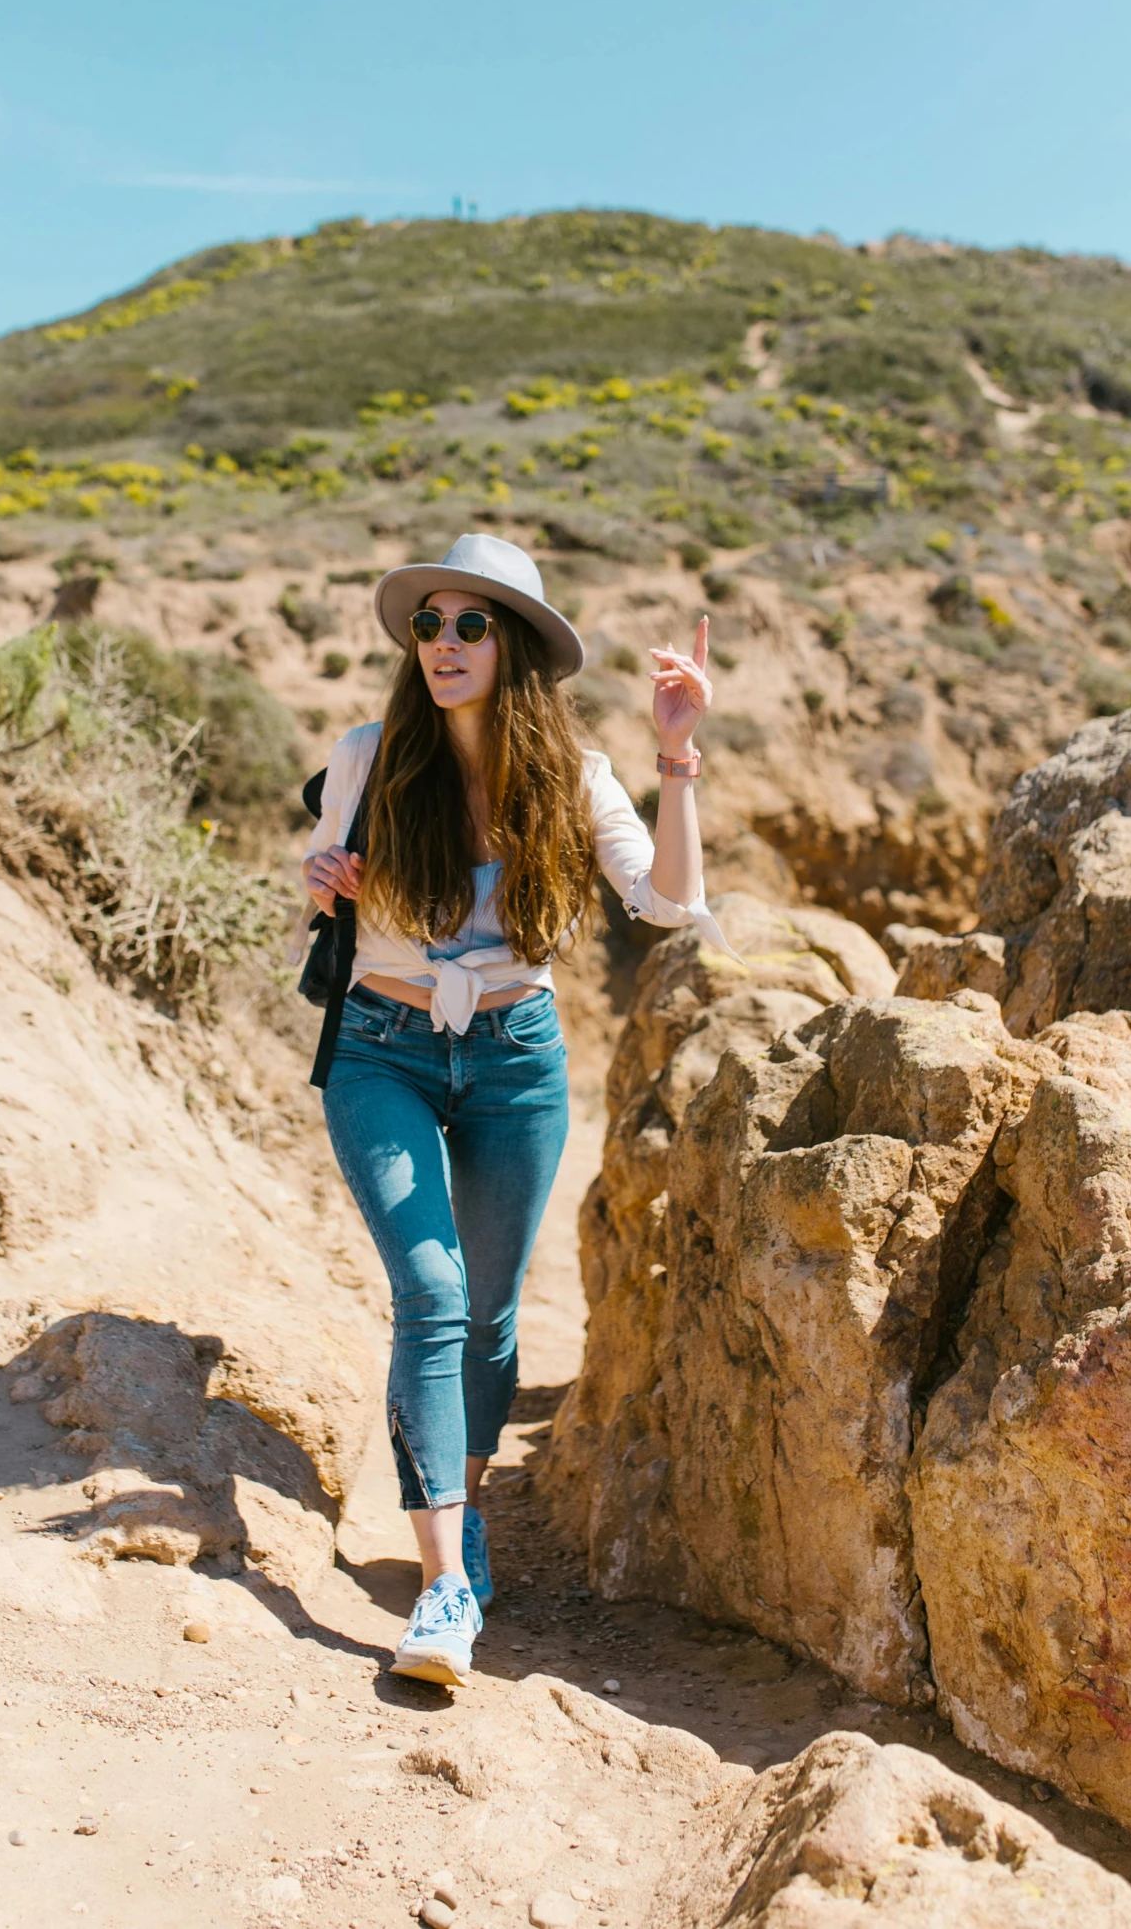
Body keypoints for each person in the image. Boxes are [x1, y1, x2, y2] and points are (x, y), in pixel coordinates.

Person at [298, 533, 728, 1686]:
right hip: (382, 1047)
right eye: (428, 624)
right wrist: (324, 876)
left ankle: (466, 1502)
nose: (441, 643)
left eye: (468, 624)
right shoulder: (369, 753)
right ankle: (440, 1585)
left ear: (516, 645)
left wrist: (675, 757)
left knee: (487, 1315)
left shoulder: (574, 779)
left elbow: (670, 903)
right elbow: (321, 867)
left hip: (517, 1057)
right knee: (430, 1291)